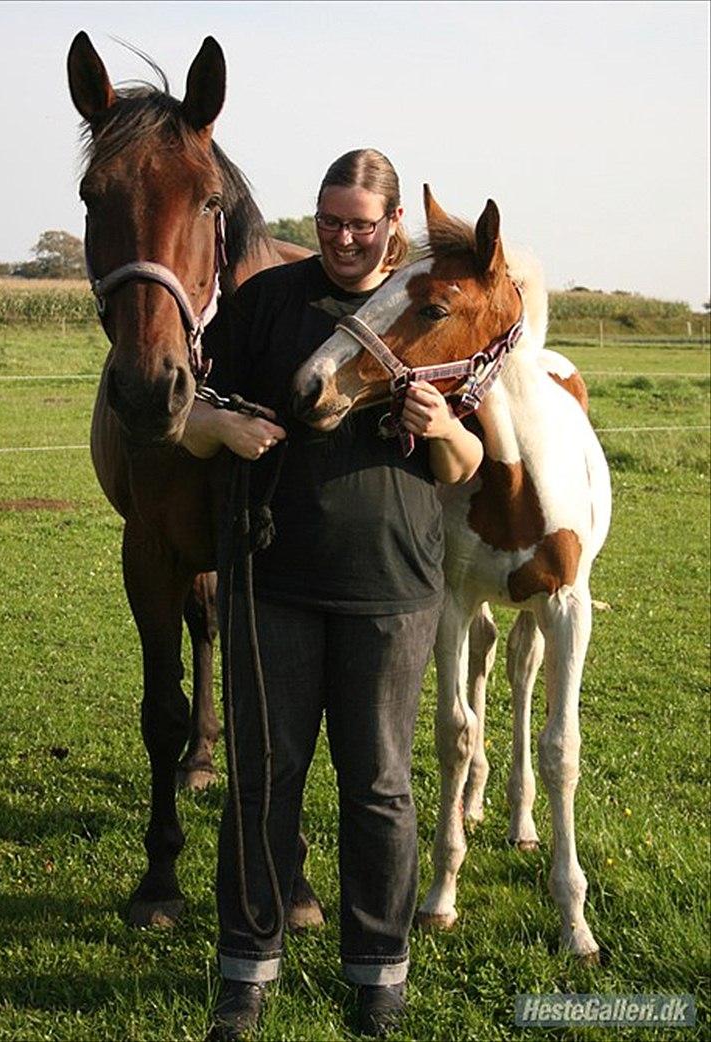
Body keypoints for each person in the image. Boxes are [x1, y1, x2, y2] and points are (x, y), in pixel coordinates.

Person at [181, 149, 484, 1041]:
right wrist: (221, 424)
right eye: (329, 221)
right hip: (268, 577)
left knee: (382, 786)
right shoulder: (268, 302)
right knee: (261, 780)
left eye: (362, 223)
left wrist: (441, 430)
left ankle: (378, 975)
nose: (345, 238)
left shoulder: (429, 309)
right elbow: (183, 415)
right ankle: (247, 970)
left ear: (393, 225)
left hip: (393, 588)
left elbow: (468, 463)